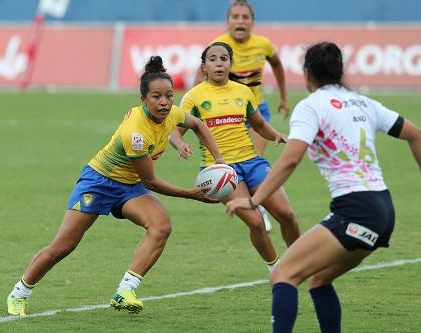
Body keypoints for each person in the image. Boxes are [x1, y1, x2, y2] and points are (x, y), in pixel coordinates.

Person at [6, 56, 225, 316]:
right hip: (99, 183)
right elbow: (151, 181)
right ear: (142, 100)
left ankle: (125, 290)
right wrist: (191, 195)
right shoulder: (135, 133)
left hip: (129, 187)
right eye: (156, 97)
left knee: (161, 226)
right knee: (63, 247)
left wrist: (219, 160)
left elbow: (198, 124)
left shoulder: (172, 113)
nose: (164, 102)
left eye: (168, 95)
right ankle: (19, 292)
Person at [226, 41, 421, 332]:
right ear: (340, 70)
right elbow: (415, 134)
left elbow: (291, 159)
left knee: (283, 274)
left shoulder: (311, 106)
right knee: (319, 280)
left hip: (355, 210)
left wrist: (255, 201)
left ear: (306, 74)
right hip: (383, 210)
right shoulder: (362, 102)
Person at [170, 42, 300, 273]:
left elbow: (259, 124)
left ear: (230, 64)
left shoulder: (243, 92)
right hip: (220, 170)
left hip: (253, 162)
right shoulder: (194, 97)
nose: (218, 63)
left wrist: (275, 135)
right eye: (212, 59)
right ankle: (277, 270)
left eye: (223, 58)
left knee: (287, 214)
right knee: (256, 222)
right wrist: (180, 144)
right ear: (204, 67)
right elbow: (174, 132)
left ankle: (300, 260)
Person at [195, 0, 290, 231]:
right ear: (227, 21)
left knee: (252, 160)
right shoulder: (218, 47)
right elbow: (199, 81)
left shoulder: (263, 45)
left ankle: (259, 206)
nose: (240, 21)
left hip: (256, 111)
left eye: (244, 17)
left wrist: (284, 98)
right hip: (227, 114)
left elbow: (277, 65)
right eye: (235, 16)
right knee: (234, 161)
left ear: (252, 21)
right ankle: (253, 207)